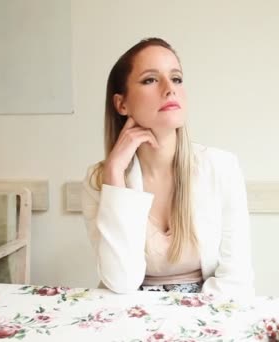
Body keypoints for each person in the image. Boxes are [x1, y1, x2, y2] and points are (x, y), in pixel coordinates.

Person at [81, 37, 254, 297]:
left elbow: (235, 278)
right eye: (150, 79)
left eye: (176, 78)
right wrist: (115, 172)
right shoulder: (100, 179)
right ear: (122, 104)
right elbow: (121, 281)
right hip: (129, 310)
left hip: (207, 309)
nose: (169, 89)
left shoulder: (221, 167)